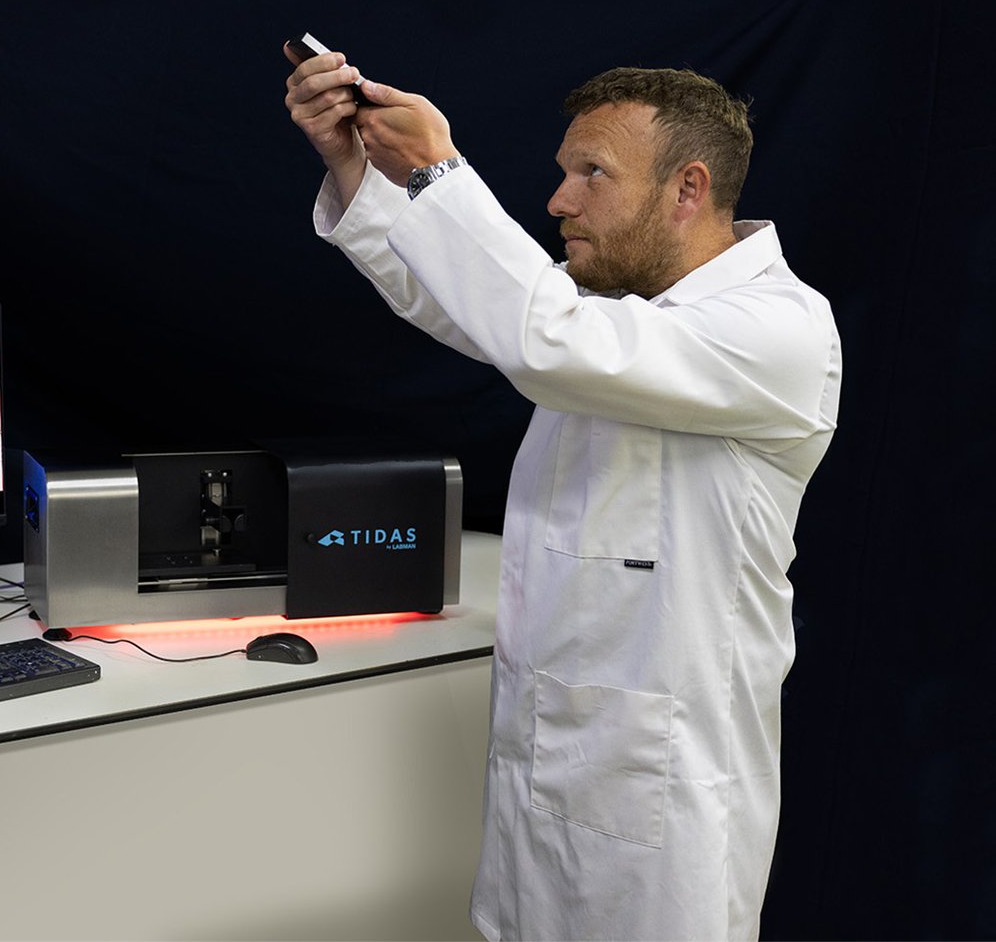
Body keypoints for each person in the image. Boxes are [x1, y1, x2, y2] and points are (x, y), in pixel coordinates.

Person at [283, 45, 842, 942]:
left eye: (593, 175)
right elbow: (481, 311)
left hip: (664, 825)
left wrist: (438, 171)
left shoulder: (778, 330)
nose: (558, 201)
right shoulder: (623, 322)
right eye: (564, 172)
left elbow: (547, 336)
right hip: (548, 786)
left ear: (687, 188)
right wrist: (359, 168)